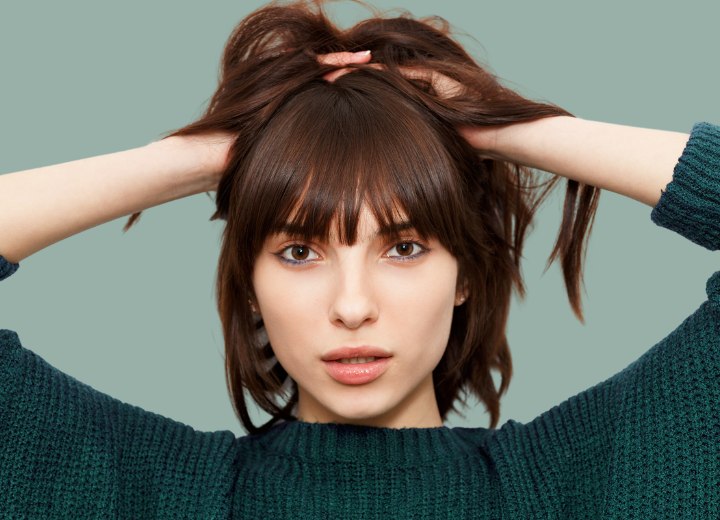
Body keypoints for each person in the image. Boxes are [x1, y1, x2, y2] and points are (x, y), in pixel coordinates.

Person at [1, 1, 718, 517]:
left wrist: (509, 127)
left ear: (466, 272)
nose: (352, 305)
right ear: (248, 283)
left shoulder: (585, 478)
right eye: (299, 250)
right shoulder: (142, 488)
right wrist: (201, 157)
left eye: (403, 248)